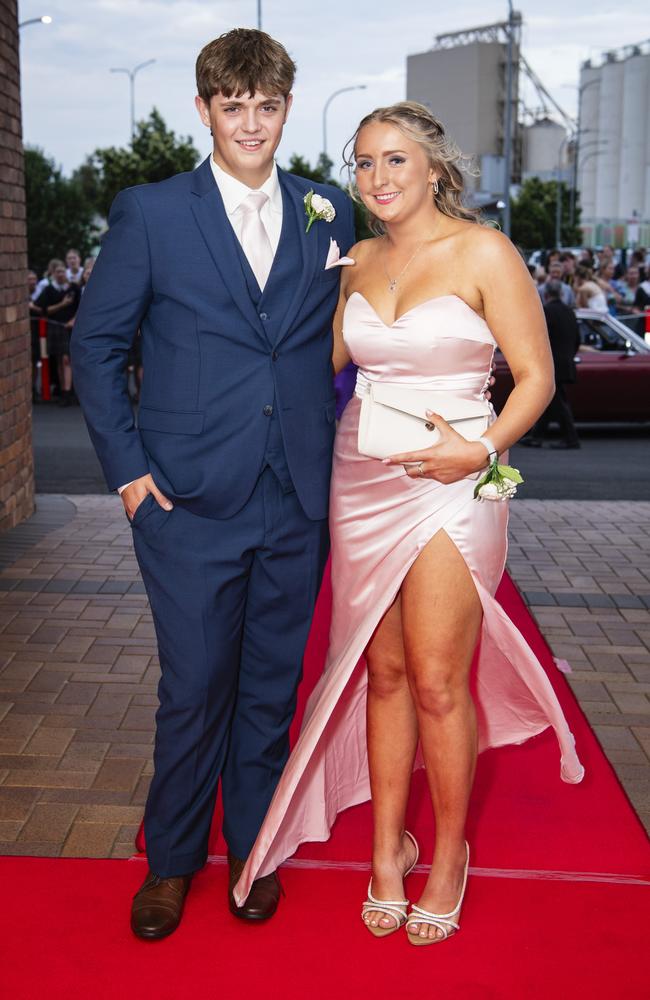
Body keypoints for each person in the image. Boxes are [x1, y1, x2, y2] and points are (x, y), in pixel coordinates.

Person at [234, 102, 584, 944]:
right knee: (380, 675)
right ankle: (387, 852)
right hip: (361, 479)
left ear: (434, 168)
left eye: (394, 161)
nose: (376, 179)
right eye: (362, 164)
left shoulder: (485, 252)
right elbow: (309, 367)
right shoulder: (350, 262)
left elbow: (534, 376)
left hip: (453, 486)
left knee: (435, 679)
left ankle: (451, 854)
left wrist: (485, 449)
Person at [71, 28, 355, 940]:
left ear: (285, 110)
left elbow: (337, 340)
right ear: (205, 110)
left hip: (296, 498)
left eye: (266, 106)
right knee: (195, 685)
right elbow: (96, 346)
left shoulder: (329, 212)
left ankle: (256, 851)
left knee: (272, 689)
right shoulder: (152, 212)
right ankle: (172, 864)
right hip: (185, 500)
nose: (251, 124)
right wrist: (127, 474)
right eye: (233, 107)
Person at [521, 280, 581, 449]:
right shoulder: (570, 311)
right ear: (562, 293)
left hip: (552, 363)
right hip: (566, 361)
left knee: (559, 402)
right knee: (549, 401)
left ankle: (571, 438)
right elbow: (577, 339)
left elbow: (540, 338)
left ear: (546, 295)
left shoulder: (547, 311)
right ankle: (537, 436)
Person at [35, 261, 80, 406]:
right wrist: (63, 304)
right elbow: (44, 310)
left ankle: (68, 391)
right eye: (57, 272)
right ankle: (63, 391)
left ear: (66, 273)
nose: (60, 274)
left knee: (67, 360)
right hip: (56, 328)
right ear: (53, 274)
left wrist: (74, 320)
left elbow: (82, 306)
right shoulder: (49, 289)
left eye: (62, 271)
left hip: (71, 327)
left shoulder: (74, 288)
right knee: (60, 360)